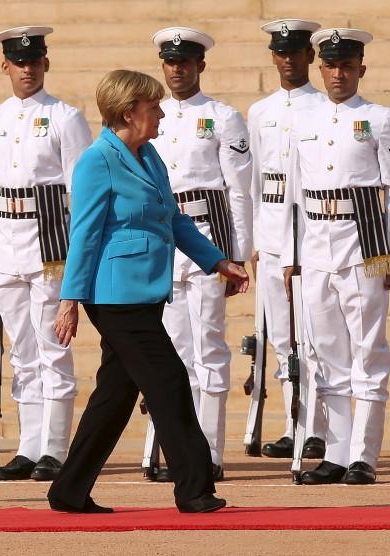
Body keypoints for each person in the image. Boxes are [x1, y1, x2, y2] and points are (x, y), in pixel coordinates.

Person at [46, 69, 248, 513]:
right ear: (127, 112)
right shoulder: (97, 160)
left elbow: (174, 220)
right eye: (152, 107)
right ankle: (194, 488)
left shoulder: (149, 154)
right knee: (170, 382)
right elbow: (84, 234)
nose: (160, 114)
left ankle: (69, 490)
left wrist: (217, 260)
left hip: (145, 289)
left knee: (115, 395)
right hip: (115, 296)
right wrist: (70, 300)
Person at [282, 27, 390, 485]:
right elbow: (293, 194)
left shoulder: (380, 117)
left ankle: (364, 455)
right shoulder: (304, 119)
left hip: (363, 241)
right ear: (320, 68)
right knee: (326, 352)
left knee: (368, 348)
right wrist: (290, 253)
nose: (339, 74)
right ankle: (335, 452)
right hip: (316, 240)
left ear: (361, 69)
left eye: (347, 66)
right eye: (331, 66)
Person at [0, 26, 92, 481]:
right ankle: (28, 445)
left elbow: (79, 195)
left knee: (52, 347)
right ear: (5, 65)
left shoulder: (66, 117)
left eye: (34, 61)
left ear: (46, 63)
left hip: (50, 241)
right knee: (21, 350)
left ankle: (55, 448)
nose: (27, 69)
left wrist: (77, 260)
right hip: (6, 238)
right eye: (19, 62)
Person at [149, 26, 254, 481]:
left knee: (209, 348)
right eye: (171, 62)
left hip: (207, 238)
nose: (178, 69)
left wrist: (236, 253)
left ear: (200, 65)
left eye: (186, 61)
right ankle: (176, 449)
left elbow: (238, 190)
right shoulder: (150, 115)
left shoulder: (222, 116)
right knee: (172, 351)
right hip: (162, 241)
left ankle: (209, 452)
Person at [247, 18, 327, 460]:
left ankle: (317, 427)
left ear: (309, 57)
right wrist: (258, 240)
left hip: (312, 233)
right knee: (281, 338)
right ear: (274, 57)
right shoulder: (261, 111)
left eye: (297, 52)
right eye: (282, 52)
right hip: (274, 232)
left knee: (312, 336)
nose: (289, 59)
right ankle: (293, 422)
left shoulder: (322, 107)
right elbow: (256, 180)